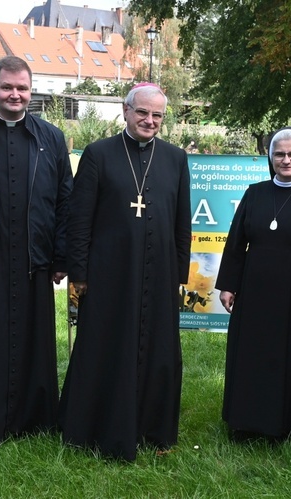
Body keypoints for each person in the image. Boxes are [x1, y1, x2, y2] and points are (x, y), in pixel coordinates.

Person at [58, 83, 192, 461]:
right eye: (142, 113)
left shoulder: (175, 158)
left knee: (159, 350)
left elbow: (183, 221)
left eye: (157, 115)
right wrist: (79, 272)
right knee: (105, 344)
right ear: (125, 110)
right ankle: (93, 425)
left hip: (161, 272)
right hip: (108, 273)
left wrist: (179, 275)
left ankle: (153, 427)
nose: (150, 121)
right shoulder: (99, 154)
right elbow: (79, 219)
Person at [0, 55, 72, 442]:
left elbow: (64, 201)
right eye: (7, 87)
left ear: (31, 91)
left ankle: (34, 419)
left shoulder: (51, 137)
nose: (15, 94)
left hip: (33, 259)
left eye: (22, 88)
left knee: (34, 340)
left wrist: (60, 254)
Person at [216, 127, 291, 442]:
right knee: (251, 354)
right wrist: (229, 284)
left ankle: (286, 423)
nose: (286, 160)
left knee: (289, 356)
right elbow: (236, 242)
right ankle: (245, 421)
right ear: (270, 158)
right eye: (279, 154)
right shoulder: (254, 193)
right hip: (254, 290)